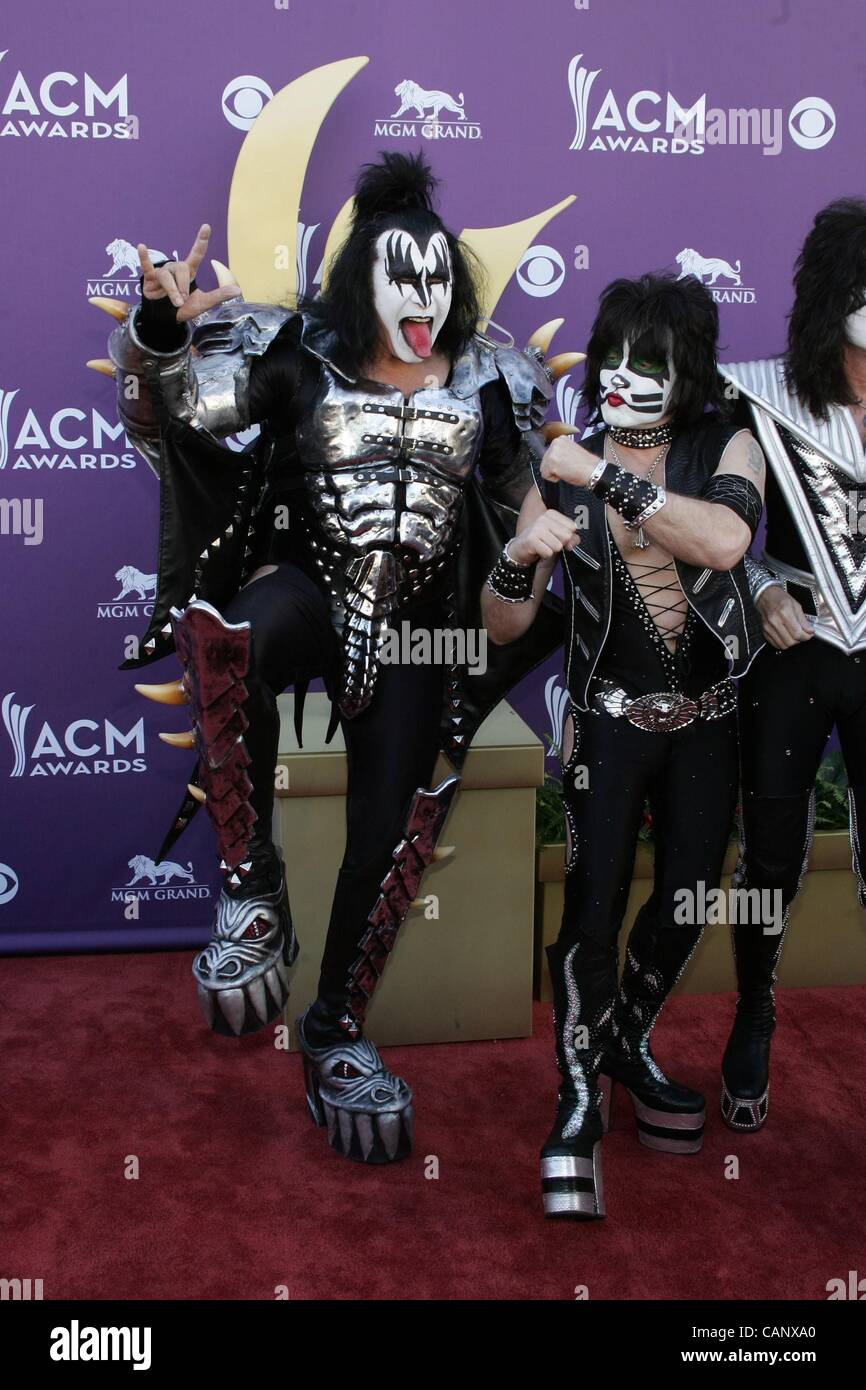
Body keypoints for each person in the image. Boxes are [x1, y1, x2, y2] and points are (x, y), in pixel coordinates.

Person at [92, 151, 569, 1165]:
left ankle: (335, 1029)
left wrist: (529, 547)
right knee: (230, 637)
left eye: (439, 277)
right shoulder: (298, 354)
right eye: (403, 275)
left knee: (389, 836)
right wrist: (163, 332)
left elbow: (520, 513)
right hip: (306, 590)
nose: (425, 297)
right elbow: (165, 419)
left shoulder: (487, 382)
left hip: (416, 631)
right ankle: (253, 886)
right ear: (364, 279)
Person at [482, 272, 765, 1217]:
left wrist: (599, 476)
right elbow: (502, 627)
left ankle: (624, 1043)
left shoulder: (723, 443)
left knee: (687, 901)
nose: (630, 377)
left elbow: (724, 541)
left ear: (686, 374)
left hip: (708, 725)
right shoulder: (558, 463)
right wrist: (520, 557)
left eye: (654, 362)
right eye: (618, 358)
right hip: (606, 721)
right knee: (591, 911)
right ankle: (576, 1096)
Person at [720, 197, 866, 1131]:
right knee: (772, 851)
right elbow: (721, 538)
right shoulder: (761, 395)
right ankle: (755, 1011)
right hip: (795, 652)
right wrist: (763, 596)